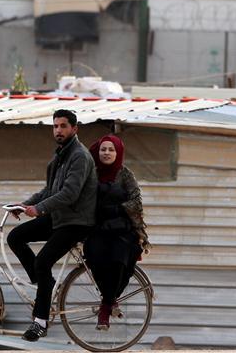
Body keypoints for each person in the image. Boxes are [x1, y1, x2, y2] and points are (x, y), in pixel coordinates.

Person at [7, 109, 97, 342]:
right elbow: (49, 190)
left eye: (63, 126)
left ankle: (40, 322)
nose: (58, 130)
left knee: (42, 262)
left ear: (74, 129)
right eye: (55, 126)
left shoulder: (79, 156)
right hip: (59, 217)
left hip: (76, 222)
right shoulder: (60, 156)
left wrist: (39, 209)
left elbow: (70, 193)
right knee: (15, 237)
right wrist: (25, 204)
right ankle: (44, 284)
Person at [84, 134, 150, 331]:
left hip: (122, 229)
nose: (107, 153)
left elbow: (136, 201)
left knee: (120, 259)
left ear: (118, 152)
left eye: (111, 149)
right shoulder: (91, 174)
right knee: (95, 257)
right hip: (98, 228)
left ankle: (105, 308)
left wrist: (118, 209)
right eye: (103, 149)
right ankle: (111, 301)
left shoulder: (125, 174)